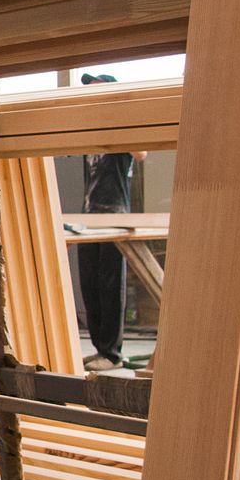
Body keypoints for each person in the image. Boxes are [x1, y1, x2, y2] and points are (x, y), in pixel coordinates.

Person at [77, 74, 139, 371]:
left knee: (110, 283)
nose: (89, 93)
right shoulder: (89, 129)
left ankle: (112, 354)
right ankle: (100, 349)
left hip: (114, 214)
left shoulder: (123, 124)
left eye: (96, 88)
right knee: (90, 284)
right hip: (88, 216)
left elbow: (142, 152)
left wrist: (120, 118)